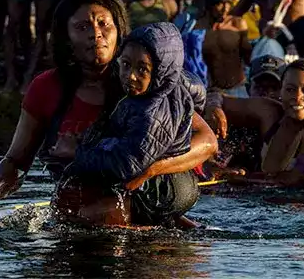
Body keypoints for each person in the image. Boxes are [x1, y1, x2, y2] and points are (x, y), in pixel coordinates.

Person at [0, 0, 217, 216]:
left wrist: (152, 168)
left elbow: (207, 142)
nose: (96, 34)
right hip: (79, 204)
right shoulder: (46, 88)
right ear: (65, 37)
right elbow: (16, 161)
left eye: (103, 24)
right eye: (82, 27)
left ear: (120, 31)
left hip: (145, 197)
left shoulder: (141, 82)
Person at [60, 21, 200, 227]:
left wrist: (78, 152)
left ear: (162, 71)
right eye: (125, 65)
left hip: (164, 187)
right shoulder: (162, 88)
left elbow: (126, 165)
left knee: (79, 217)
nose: (130, 76)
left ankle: (151, 221)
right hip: (171, 181)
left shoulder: (153, 113)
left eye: (142, 69)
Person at [215, 58, 304, 184]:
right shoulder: (271, 114)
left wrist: (245, 178)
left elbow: (302, 180)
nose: (297, 97)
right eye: (290, 89)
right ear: (281, 91)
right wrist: (214, 108)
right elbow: (216, 97)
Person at [186, 0, 251, 95]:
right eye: (220, 4)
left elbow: (249, 58)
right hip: (211, 93)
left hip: (239, 89)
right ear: (208, 5)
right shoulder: (195, 31)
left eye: (228, 3)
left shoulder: (237, 24)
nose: (225, 8)